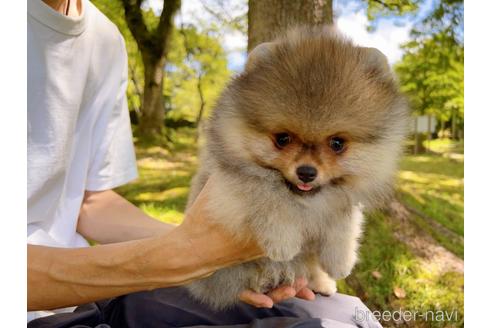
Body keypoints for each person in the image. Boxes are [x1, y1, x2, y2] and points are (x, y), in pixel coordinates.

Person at [27, 0, 382, 327]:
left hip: (88, 295)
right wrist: (177, 258)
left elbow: (88, 202)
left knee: (349, 317)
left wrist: (213, 254)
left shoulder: (104, 40)